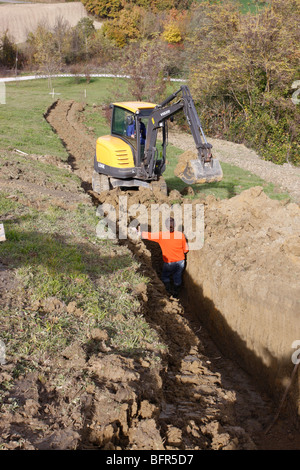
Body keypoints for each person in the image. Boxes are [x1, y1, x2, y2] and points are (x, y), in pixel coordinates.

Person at [137, 217, 189, 298]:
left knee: (165, 276)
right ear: (174, 225)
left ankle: (168, 291)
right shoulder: (181, 235)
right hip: (180, 261)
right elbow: (186, 250)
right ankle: (176, 293)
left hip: (169, 262)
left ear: (166, 226)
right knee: (177, 276)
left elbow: (149, 235)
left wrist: (139, 232)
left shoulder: (161, 235)